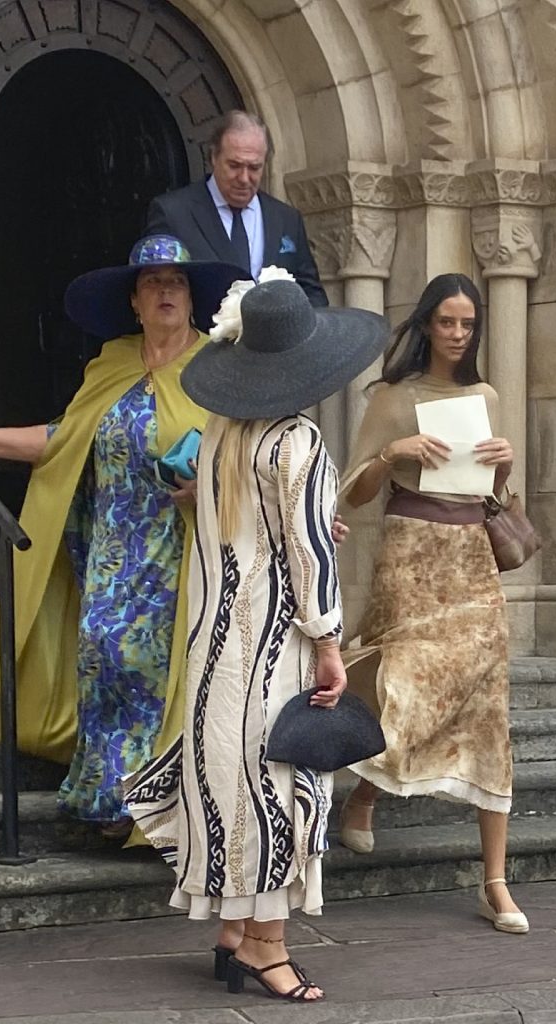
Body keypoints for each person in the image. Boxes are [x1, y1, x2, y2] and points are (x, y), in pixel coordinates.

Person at [0, 236, 251, 834]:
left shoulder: (217, 368)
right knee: (101, 659)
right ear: (135, 301)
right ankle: (109, 798)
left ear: (193, 297)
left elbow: (246, 455)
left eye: (176, 282)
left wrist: (214, 490)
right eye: (153, 283)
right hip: (111, 551)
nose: (166, 292)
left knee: (147, 667)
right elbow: (64, 437)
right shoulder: (113, 364)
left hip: (180, 551)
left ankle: (147, 802)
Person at [124, 278, 389, 1001]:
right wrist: (330, 643)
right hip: (275, 646)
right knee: (277, 786)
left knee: (233, 780)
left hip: (215, 643)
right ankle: (266, 949)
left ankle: (233, 936)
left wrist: (311, 521)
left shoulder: (219, 437)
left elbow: (262, 529)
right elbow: (307, 554)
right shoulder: (297, 438)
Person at [338, 273, 529, 935]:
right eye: (445, 322)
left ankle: (495, 882)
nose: (456, 334)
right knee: (410, 690)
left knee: (485, 704)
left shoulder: (485, 395)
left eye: (467, 324)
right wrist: (394, 451)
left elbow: (503, 505)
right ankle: (364, 794)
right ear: (425, 325)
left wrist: (504, 469)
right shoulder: (393, 397)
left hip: (472, 559)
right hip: (411, 558)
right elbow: (352, 492)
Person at [145, 110, 328, 307]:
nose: (243, 178)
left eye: (254, 168)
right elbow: (157, 292)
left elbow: (311, 294)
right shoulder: (173, 213)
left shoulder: (286, 219)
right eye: (234, 165)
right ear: (214, 157)